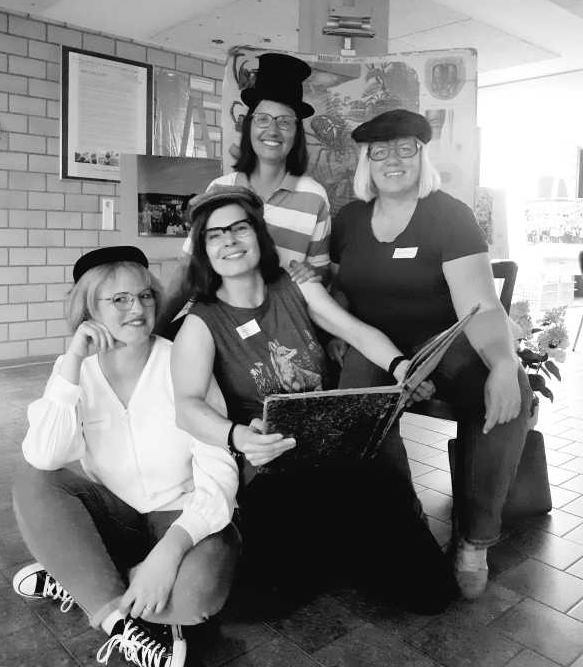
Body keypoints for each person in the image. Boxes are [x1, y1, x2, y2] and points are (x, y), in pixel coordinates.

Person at [170, 185, 457, 615]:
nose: (229, 240)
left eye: (239, 228)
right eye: (215, 235)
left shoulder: (295, 286)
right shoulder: (201, 322)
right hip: (272, 467)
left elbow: (355, 331)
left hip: (334, 450)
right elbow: (187, 406)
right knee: (272, 601)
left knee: (430, 592)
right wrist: (239, 437)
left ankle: (343, 544)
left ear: (258, 235)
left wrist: (400, 367)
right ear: (203, 252)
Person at [329, 109, 533, 600]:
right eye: (380, 151)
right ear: (366, 161)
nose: (393, 160)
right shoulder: (349, 218)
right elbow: (338, 288)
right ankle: (405, 523)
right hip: (374, 342)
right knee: (360, 408)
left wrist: (505, 364)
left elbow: (481, 305)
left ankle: (474, 540)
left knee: (506, 395)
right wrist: (337, 333)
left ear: (422, 156)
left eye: (405, 149)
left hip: (445, 341)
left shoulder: (448, 214)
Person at [12, 246, 239, 667]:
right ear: (89, 310)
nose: (137, 308)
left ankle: (80, 577)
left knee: (195, 598)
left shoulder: (182, 361)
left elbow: (220, 467)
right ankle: (117, 619)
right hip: (117, 516)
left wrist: (169, 554)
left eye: (145, 295)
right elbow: (44, 455)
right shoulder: (74, 369)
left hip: (182, 518)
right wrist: (73, 362)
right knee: (34, 480)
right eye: (119, 299)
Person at [156, 52, 330, 336]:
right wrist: (156, 330)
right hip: (217, 325)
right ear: (249, 126)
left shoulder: (314, 196)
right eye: (263, 119)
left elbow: (322, 272)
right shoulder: (220, 189)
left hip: (282, 328)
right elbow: (190, 270)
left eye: (285, 121)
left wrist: (312, 274)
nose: (273, 130)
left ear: (297, 132)